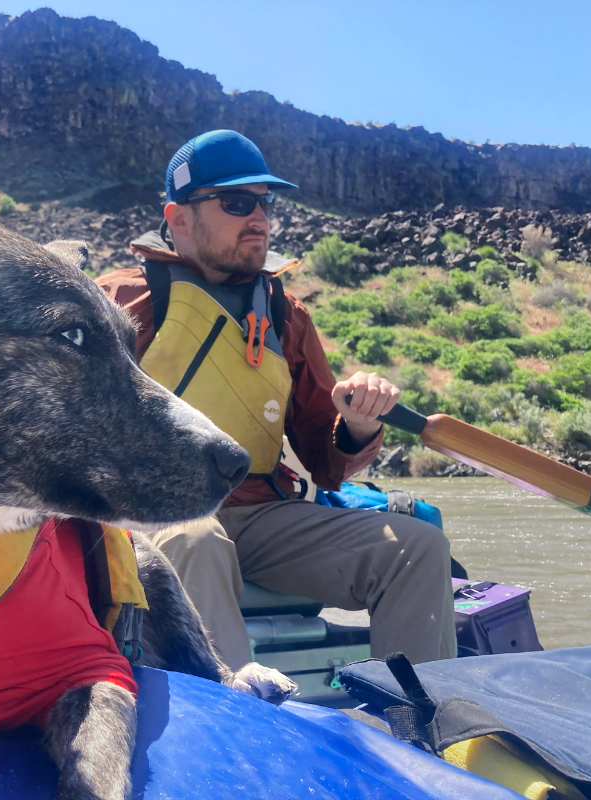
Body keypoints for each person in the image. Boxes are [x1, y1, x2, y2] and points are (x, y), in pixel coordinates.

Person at [96, 130, 457, 669]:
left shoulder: (287, 316)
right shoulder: (120, 301)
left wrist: (357, 426)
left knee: (417, 547)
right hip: (155, 514)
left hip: (260, 516)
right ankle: (242, 730)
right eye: (237, 203)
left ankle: (419, 726)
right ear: (178, 219)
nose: (260, 218)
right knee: (197, 539)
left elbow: (324, 462)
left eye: (266, 202)